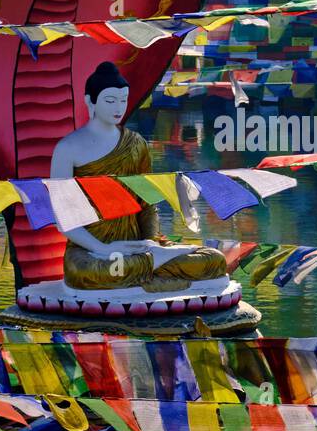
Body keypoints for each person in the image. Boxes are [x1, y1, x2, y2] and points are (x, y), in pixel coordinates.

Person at [51, 61, 227, 291]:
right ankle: (153, 270)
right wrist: (102, 248)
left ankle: (151, 266)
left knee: (213, 260)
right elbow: (63, 219)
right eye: (110, 101)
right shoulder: (67, 148)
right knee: (88, 272)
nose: (118, 108)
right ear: (90, 100)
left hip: (138, 247)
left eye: (123, 101)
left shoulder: (136, 144)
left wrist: (150, 243)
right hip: (91, 251)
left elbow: (147, 203)